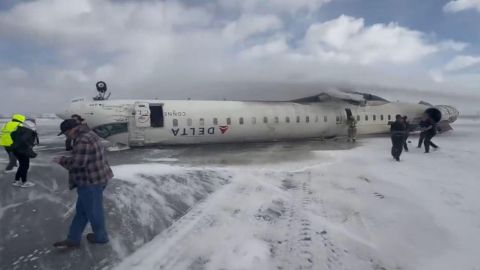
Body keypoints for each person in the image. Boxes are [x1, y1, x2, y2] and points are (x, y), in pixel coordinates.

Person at [53, 119, 113, 248]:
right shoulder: (89, 134)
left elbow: (78, 163)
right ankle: (73, 239)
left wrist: (61, 160)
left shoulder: (83, 140)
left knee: (94, 212)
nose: (66, 136)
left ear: (71, 129)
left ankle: (101, 237)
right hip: (97, 177)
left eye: (65, 133)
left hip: (91, 182)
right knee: (83, 211)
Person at [10, 119, 39, 187]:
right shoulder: (28, 131)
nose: (35, 124)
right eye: (34, 123)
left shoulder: (20, 129)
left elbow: (12, 134)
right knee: (25, 166)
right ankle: (24, 182)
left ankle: (16, 181)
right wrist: (28, 145)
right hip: (22, 150)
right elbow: (23, 139)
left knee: (22, 165)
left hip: (16, 149)